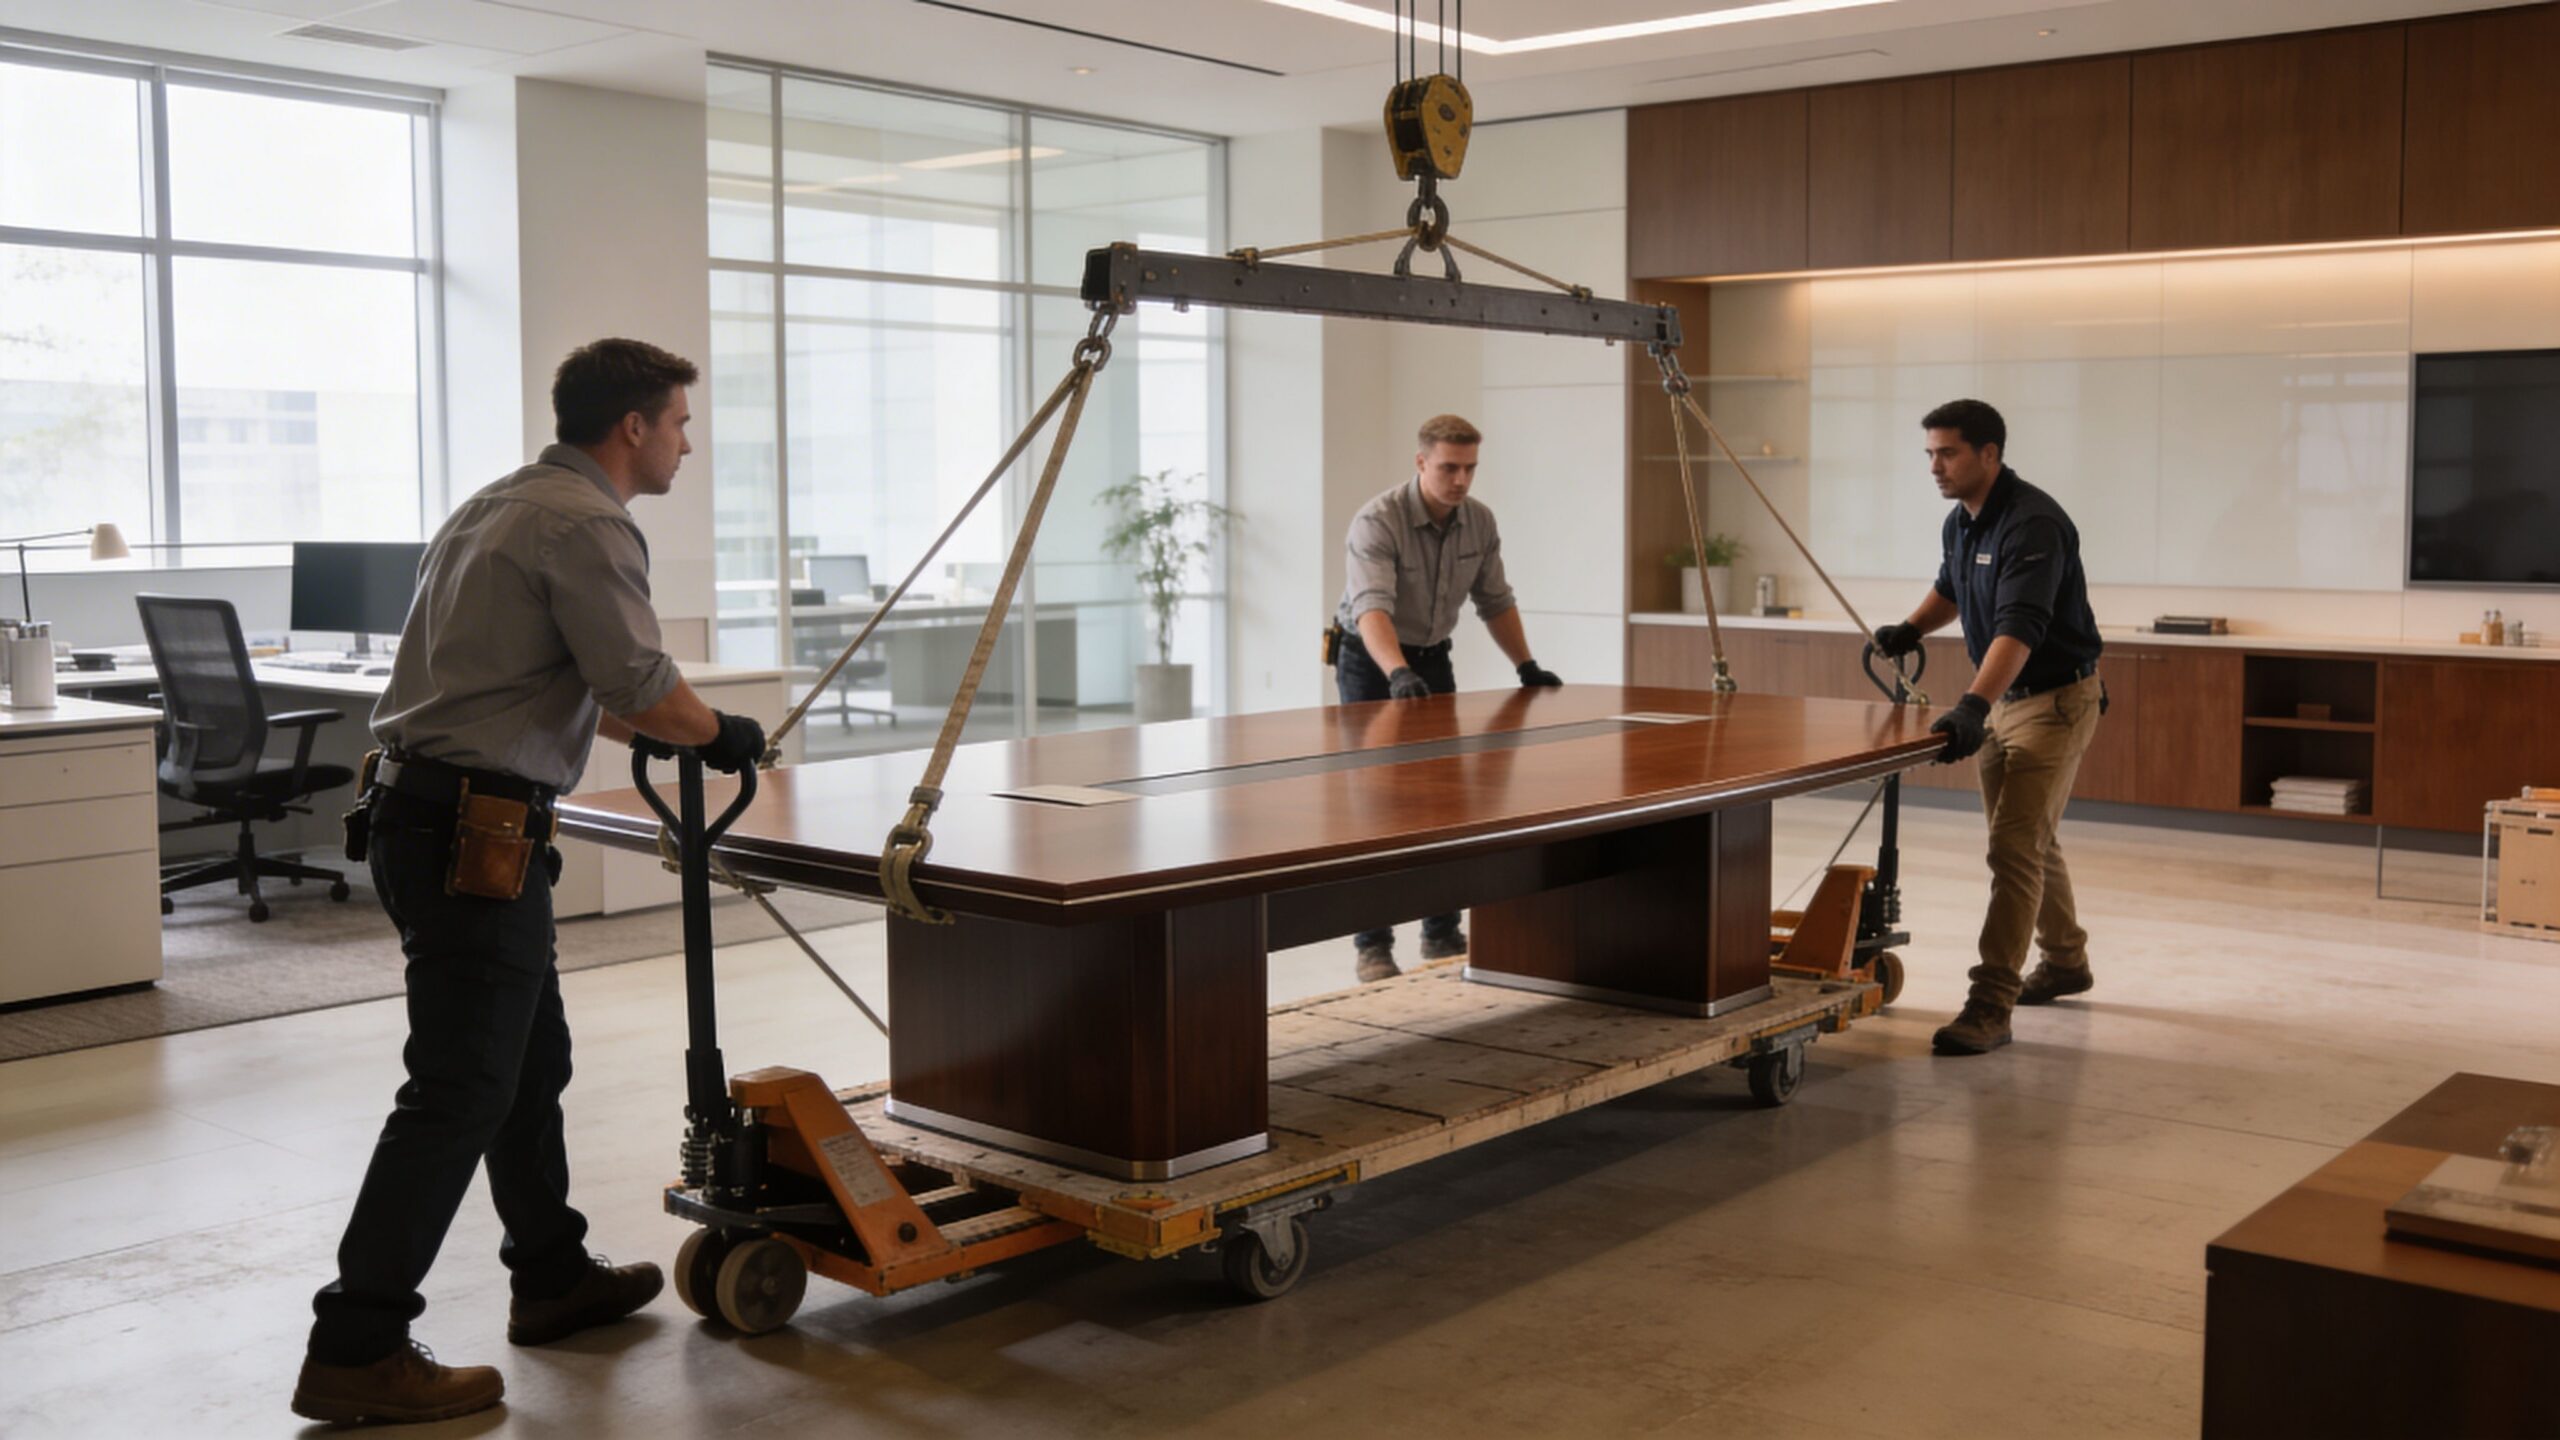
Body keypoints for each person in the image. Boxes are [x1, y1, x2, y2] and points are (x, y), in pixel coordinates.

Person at [292, 339, 769, 1426]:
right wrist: (723, 731)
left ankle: (551, 1276)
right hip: (474, 831)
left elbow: (546, 679)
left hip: (428, 819)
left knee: (526, 1059)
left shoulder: (495, 505)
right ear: (633, 427)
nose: (688, 444)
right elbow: (640, 682)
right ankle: (356, 1343)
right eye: (679, 423)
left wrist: (665, 723)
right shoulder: (592, 522)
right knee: (460, 1085)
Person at [1871, 399, 2104, 1057]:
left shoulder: (2034, 524)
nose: (1935, 467)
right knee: (2028, 840)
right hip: (2003, 698)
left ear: (1990, 454)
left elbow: (2018, 627)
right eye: (1930, 454)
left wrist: (1972, 704)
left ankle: (1991, 1003)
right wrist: (1912, 627)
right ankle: (2065, 962)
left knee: (2013, 849)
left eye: (1948, 453)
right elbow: (1952, 587)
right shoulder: (1962, 521)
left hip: (2054, 702)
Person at [1333, 413, 1562, 983]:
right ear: (1421, 463)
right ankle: (1373, 946)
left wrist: (1526, 665)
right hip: (1369, 658)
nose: (1460, 480)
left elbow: (1495, 600)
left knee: (1446, 801)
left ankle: (1441, 934)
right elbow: (1372, 610)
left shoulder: (1478, 522)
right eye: (1448, 468)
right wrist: (1397, 674)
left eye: (1469, 469)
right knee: (1377, 805)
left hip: (1432, 656)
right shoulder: (1377, 520)